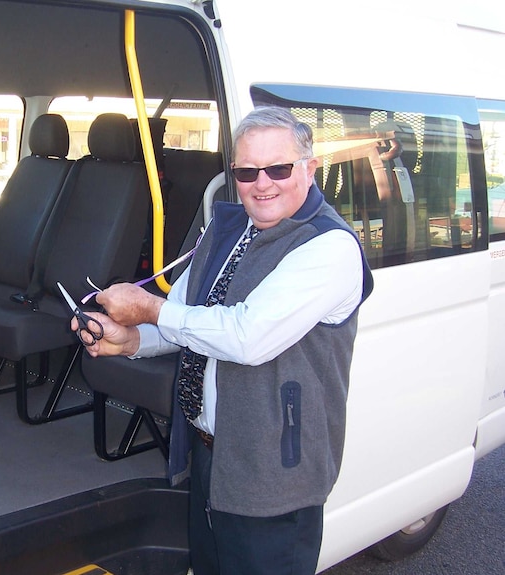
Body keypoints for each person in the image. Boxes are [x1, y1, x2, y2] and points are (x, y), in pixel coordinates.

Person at [75, 107, 374, 575]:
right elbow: (192, 318)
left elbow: (244, 337)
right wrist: (130, 339)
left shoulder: (328, 247)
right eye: (246, 171)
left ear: (310, 169)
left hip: (274, 475)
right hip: (213, 453)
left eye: (278, 168)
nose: (263, 183)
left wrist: (149, 308)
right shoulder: (229, 227)